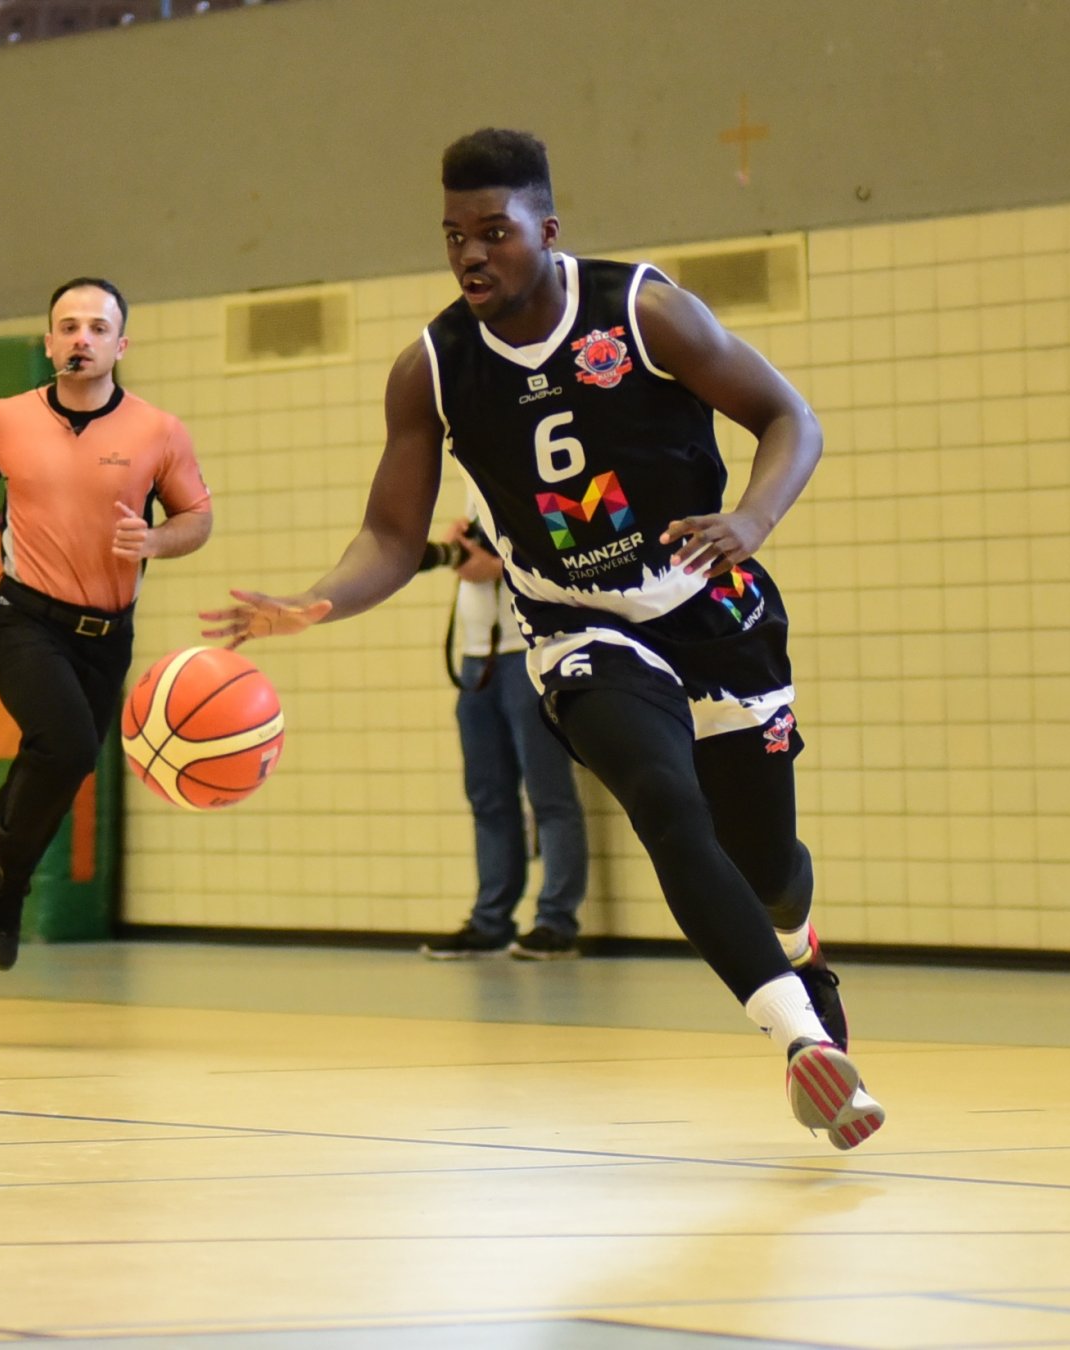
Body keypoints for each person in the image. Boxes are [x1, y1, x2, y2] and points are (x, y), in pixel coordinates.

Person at [201, 129, 884, 1150]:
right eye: (452, 237)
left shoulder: (643, 310)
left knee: (768, 864)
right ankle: (800, 1043)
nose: (471, 256)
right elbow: (392, 534)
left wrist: (751, 520)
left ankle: (797, 943)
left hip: (709, 604)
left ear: (545, 230)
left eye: (493, 233)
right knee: (661, 797)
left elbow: (792, 419)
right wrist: (318, 601)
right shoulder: (429, 368)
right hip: (576, 624)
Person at [0, 278, 213, 1031]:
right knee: (66, 744)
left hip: (106, 634)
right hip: (23, 618)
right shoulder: (3, 420)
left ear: (122, 345)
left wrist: (156, 540)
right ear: (49, 343)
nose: (81, 338)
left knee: (49, 770)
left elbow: (197, 517)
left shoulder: (158, 430)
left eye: (97, 327)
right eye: (67, 326)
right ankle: (6, 893)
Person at [417, 516, 588, 960]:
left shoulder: (539, 486)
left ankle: (556, 922)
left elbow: (571, 554)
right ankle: (490, 921)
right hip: (477, 658)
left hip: (533, 652)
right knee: (487, 796)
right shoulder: (476, 488)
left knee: (549, 794)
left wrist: (500, 569)